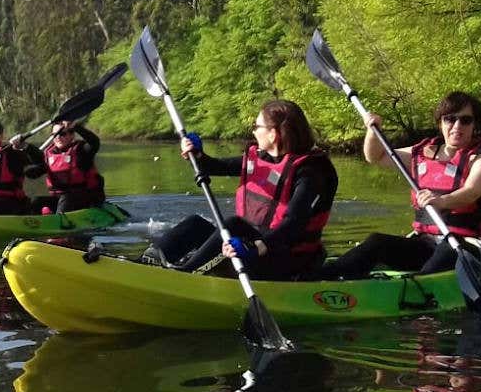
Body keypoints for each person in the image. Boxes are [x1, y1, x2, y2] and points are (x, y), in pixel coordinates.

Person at [312, 91, 481, 280]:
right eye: (450, 119)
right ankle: (322, 277)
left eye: (465, 120)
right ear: (440, 123)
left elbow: (470, 193)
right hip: (426, 241)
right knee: (376, 242)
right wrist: (373, 131)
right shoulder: (422, 153)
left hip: (468, 243)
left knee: (442, 257)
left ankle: (420, 289)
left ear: (474, 125)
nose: (456, 126)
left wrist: (440, 201)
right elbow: (376, 157)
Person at [145, 99, 338, 281]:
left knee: (233, 225)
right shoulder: (264, 157)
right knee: (195, 225)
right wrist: (199, 156)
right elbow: (218, 167)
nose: (253, 132)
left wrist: (255, 246)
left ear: (273, 134)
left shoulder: (311, 172)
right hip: (256, 245)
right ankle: (145, 263)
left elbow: (293, 224)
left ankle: (183, 277)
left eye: (257, 127)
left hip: (289, 258)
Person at [26, 120, 106, 213]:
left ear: (72, 136)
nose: (58, 138)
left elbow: (94, 142)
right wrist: (26, 148)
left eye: (62, 134)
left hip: (86, 197)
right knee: (36, 201)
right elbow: (34, 173)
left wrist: (75, 126)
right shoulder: (48, 154)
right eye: (55, 135)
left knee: (66, 198)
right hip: (60, 198)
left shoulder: (82, 151)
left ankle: (59, 221)